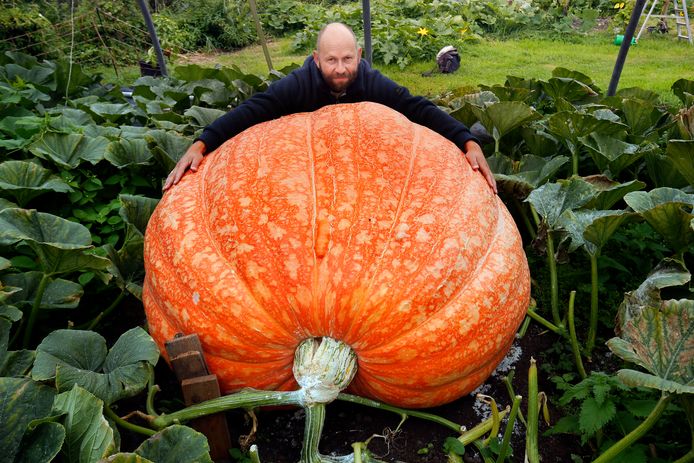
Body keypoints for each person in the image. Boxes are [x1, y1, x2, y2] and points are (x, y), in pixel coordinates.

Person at [163, 22, 497, 193]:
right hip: (305, 166)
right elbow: (254, 109)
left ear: (359, 57)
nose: (340, 68)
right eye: (332, 60)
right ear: (316, 59)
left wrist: (465, 140)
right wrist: (202, 143)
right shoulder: (299, 84)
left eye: (348, 59)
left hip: (360, 163)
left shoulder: (370, 82)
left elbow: (416, 108)